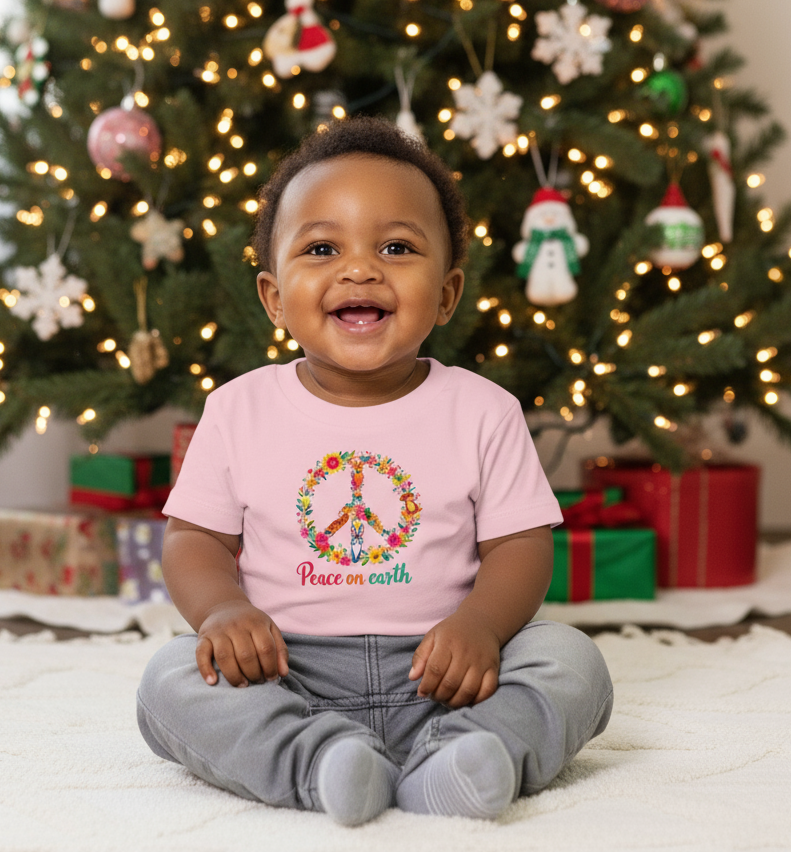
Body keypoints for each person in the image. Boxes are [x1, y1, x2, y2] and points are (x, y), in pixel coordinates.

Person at [136, 117, 613, 827]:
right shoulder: (238, 409)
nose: (359, 269)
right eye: (322, 247)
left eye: (396, 246)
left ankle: (461, 755)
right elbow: (193, 539)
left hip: (448, 674)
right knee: (168, 680)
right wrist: (223, 611)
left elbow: (519, 543)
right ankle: (320, 759)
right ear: (273, 296)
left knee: (573, 662)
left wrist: (480, 625)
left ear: (447, 293)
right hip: (284, 671)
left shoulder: (483, 410)